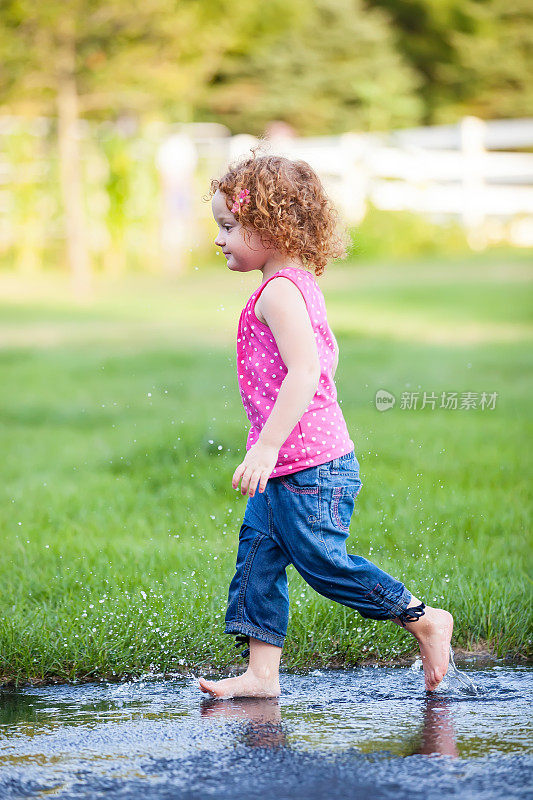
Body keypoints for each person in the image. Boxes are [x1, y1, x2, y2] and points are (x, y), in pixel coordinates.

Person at [199, 150, 453, 700]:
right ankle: (262, 675)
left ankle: (423, 618)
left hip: (310, 466)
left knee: (321, 563)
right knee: (258, 558)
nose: (218, 239)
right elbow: (324, 362)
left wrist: (265, 447)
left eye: (228, 225)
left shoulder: (282, 290)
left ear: (269, 227)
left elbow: (308, 371)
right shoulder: (288, 284)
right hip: (293, 463)